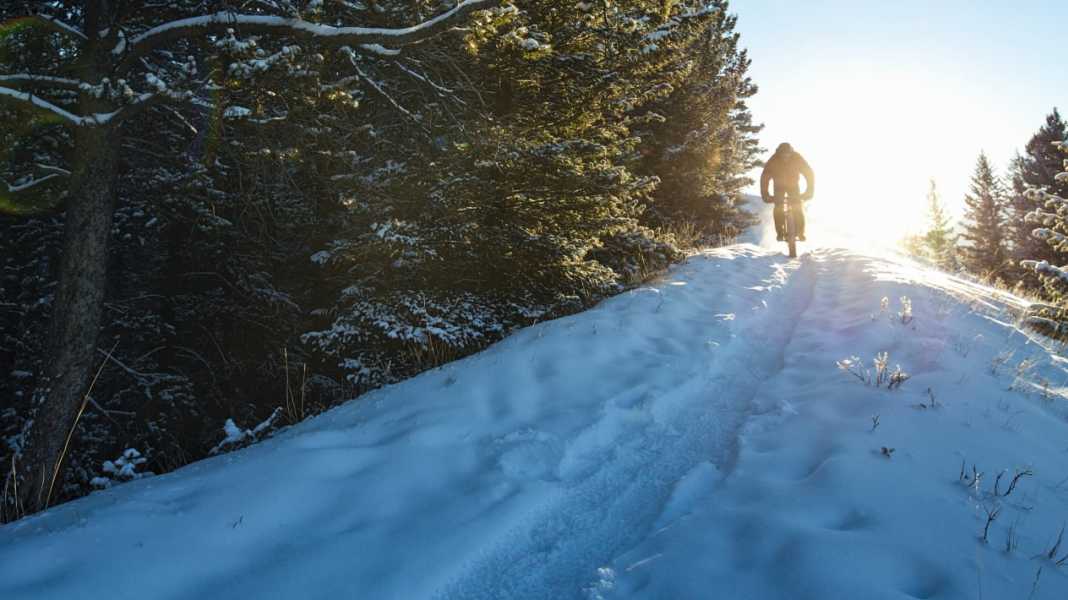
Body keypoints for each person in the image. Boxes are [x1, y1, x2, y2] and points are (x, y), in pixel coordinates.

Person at [760, 142, 814, 241]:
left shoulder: (797, 158)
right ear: (779, 154)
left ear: (791, 153)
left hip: (793, 186)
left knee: (797, 205)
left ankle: (801, 233)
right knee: (778, 207)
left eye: (788, 154)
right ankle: (780, 233)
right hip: (778, 186)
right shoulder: (773, 160)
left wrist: (810, 190)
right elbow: (765, 178)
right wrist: (765, 194)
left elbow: (809, 173)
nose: (785, 156)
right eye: (783, 155)